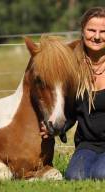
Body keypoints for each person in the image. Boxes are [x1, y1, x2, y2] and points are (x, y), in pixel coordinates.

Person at [40, 6, 105, 180]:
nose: (97, 36)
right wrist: (55, 128)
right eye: (91, 30)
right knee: (75, 176)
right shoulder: (72, 67)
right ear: (83, 31)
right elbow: (71, 111)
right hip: (87, 144)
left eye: (103, 31)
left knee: (101, 174)